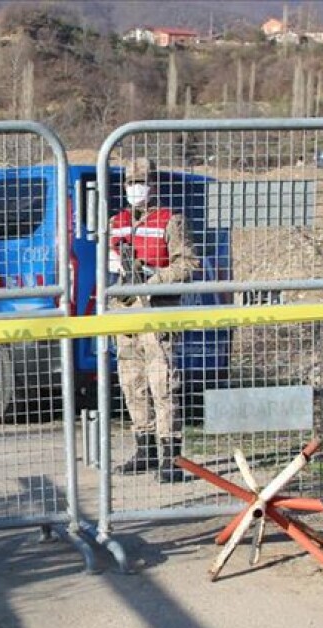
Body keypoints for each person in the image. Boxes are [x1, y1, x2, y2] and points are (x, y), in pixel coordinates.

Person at [108, 158, 200, 483]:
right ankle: (144, 448)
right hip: (125, 312)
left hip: (158, 309)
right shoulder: (116, 223)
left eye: (141, 181)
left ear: (154, 185)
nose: (136, 188)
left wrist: (154, 279)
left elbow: (188, 263)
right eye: (130, 182)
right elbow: (107, 266)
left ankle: (170, 457)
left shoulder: (170, 221)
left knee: (164, 384)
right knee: (132, 383)